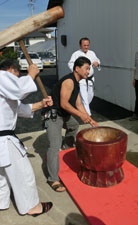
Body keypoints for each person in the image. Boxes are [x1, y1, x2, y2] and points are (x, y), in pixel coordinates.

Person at [0, 59, 53, 217]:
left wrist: (41, 104)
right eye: (17, 75)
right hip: (2, 140)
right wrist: (31, 74)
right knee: (23, 173)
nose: (17, 78)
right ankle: (32, 206)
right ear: (12, 69)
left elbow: (17, 108)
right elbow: (20, 90)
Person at [46, 57, 98, 192]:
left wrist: (90, 119)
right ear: (77, 68)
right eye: (86, 68)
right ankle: (53, 179)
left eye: (89, 68)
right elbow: (64, 104)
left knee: (74, 126)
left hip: (64, 115)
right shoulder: (69, 81)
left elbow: (79, 104)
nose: (88, 71)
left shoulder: (77, 83)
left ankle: (67, 147)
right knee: (54, 146)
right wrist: (81, 115)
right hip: (54, 115)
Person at [68, 37, 101, 115]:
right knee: (84, 97)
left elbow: (97, 60)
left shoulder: (92, 53)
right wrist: (77, 71)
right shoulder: (76, 54)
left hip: (90, 79)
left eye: (87, 45)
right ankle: (88, 114)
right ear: (80, 45)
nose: (86, 47)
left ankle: (82, 108)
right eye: (84, 45)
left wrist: (97, 63)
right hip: (81, 79)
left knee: (90, 95)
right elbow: (70, 64)